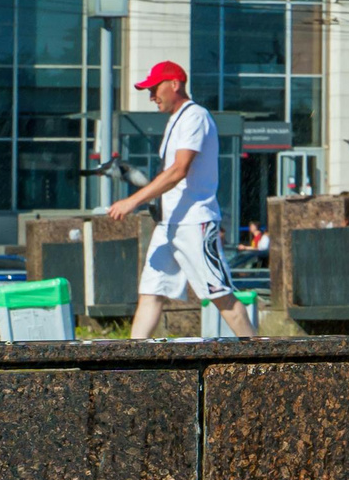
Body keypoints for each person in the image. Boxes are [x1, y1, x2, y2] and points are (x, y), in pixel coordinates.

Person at [108, 60, 256, 340]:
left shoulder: (194, 116)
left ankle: (268, 361)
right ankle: (126, 364)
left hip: (195, 222)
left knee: (221, 295)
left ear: (174, 85)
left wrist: (132, 201)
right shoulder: (177, 119)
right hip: (170, 223)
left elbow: (178, 170)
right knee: (151, 293)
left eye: (154, 89)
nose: (152, 96)